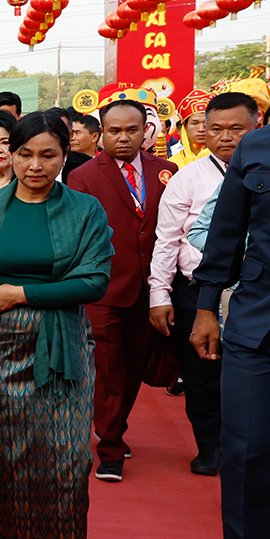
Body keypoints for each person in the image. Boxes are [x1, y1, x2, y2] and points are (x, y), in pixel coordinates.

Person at [0, 111, 112, 539]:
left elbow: (94, 281)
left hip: (63, 345)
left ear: (65, 155)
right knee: (14, 458)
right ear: (8, 154)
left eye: (48, 155)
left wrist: (22, 293)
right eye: (25, 154)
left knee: (68, 457)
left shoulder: (85, 211)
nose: (35, 165)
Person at [189, 28, 270, 539]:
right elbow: (225, 236)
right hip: (259, 331)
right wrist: (206, 308)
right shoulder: (259, 146)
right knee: (247, 462)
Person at [67, 98, 178, 482]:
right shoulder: (83, 176)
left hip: (152, 290)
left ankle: (114, 426)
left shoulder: (166, 171)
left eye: (132, 130)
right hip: (103, 289)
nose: (124, 137)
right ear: (101, 133)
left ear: (145, 130)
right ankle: (111, 448)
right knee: (109, 369)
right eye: (114, 131)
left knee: (134, 368)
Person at [151, 92, 258, 478]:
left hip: (256, 293)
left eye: (236, 129)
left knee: (253, 377)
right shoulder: (187, 178)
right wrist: (159, 294)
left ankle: (249, 450)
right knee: (201, 375)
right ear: (204, 132)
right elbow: (167, 240)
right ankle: (209, 447)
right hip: (196, 293)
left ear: (256, 127)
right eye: (216, 129)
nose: (225, 137)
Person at [169, 92, 213, 168]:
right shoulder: (173, 163)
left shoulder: (226, 158)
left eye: (206, 123)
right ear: (185, 127)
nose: (201, 129)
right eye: (195, 123)